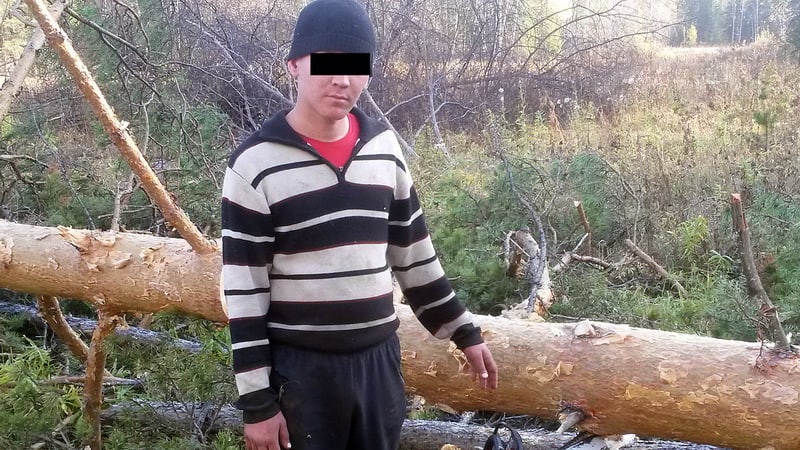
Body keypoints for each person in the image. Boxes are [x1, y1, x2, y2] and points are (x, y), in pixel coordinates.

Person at [221, 1, 498, 449]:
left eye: (355, 65)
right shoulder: (255, 165)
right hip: (301, 374)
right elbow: (244, 291)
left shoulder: (383, 150)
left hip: (378, 366)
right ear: (294, 65)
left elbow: (414, 254)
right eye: (326, 63)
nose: (342, 80)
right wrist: (257, 404)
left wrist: (463, 331)